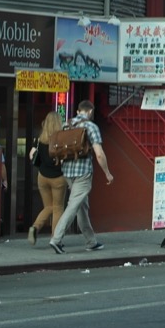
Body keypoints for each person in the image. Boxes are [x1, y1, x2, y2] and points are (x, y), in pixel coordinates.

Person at [49, 100, 113, 254]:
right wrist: (107, 173)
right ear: (90, 112)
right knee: (73, 205)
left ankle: (91, 241)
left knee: (81, 206)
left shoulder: (66, 125)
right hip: (83, 172)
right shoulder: (91, 127)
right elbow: (99, 153)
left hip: (68, 172)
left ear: (78, 111)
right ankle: (56, 239)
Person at [27, 111, 68, 246]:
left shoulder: (39, 139)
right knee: (57, 208)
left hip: (42, 177)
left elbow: (31, 155)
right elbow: (64, 160)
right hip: (57, 178)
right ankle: (55, 239)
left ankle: (35, 228)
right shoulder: (61, 140)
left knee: (48, 207)